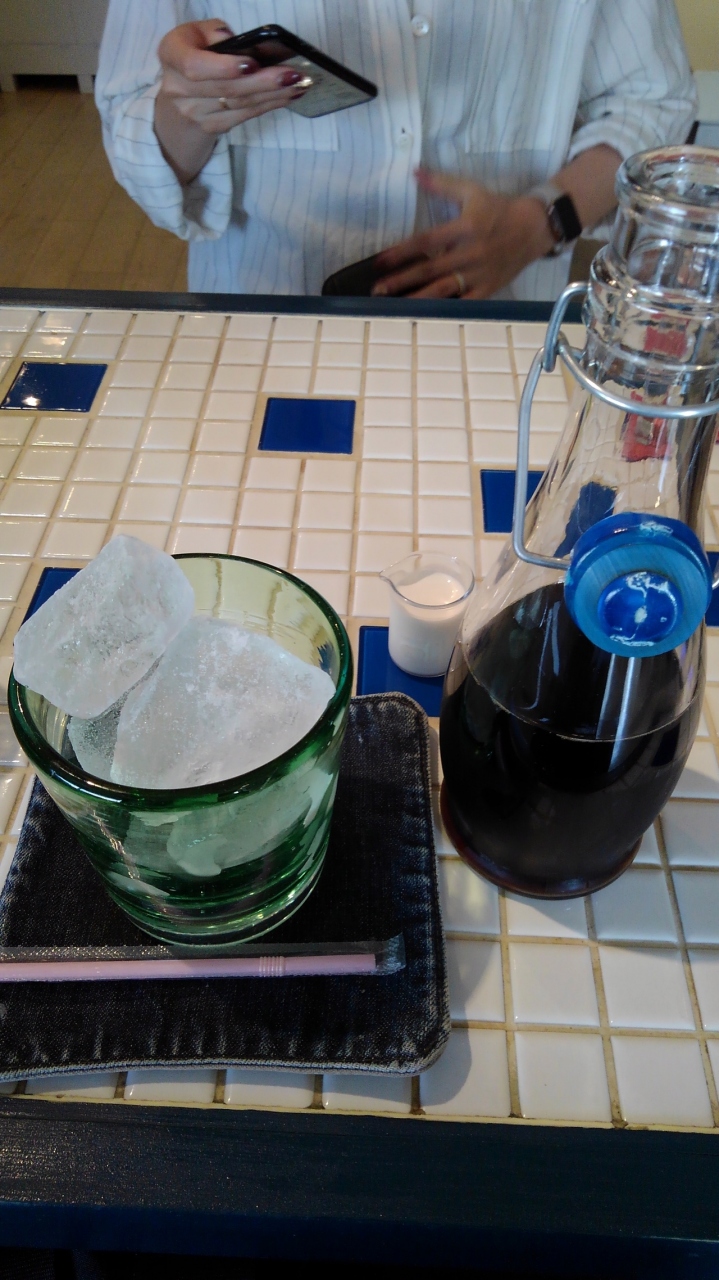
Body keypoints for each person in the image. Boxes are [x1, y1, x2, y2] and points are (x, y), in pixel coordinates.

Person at [95, 2, 696, 300]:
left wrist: (542, 222)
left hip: (500, 327)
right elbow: (132, 130)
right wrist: (187, 107)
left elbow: (653, 98)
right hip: (259, 321)